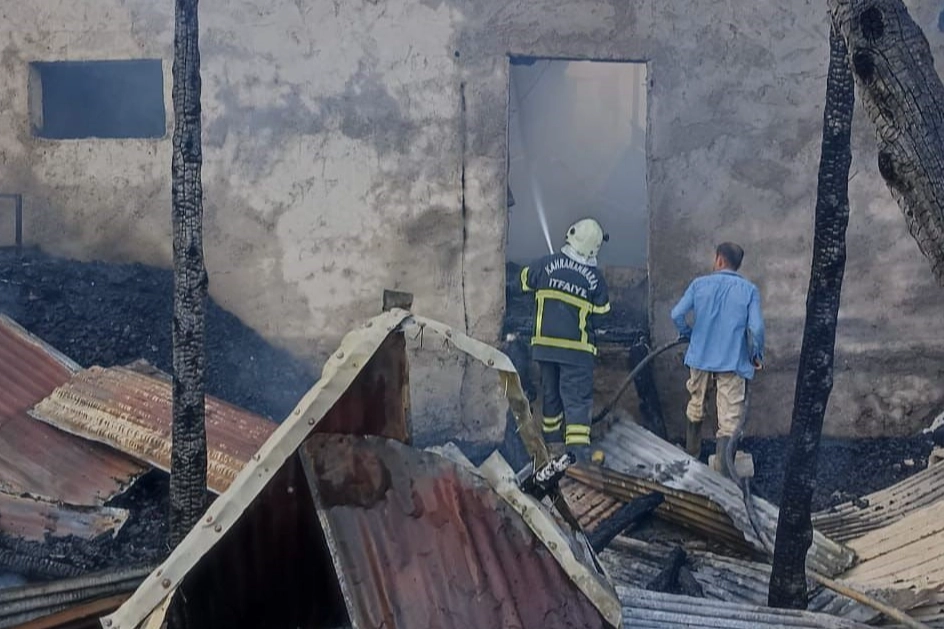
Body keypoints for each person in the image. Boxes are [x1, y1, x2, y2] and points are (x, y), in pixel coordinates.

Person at [520, 218, 611, 462]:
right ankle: (577, 457)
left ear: (571, 235)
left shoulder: (545, 264)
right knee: (576, 401)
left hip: (545, 347)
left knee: (551, 394)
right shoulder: (595, 279)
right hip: (577, 352)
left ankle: (553, 447)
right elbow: (602, 314)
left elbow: (523, 281)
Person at [670, 242, 765, 474]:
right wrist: (755, 354)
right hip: (733, 361)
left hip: (700, 356)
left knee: (696, 404)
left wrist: (688, 334)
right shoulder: (749, 290)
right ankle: (722, 473)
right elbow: (756, 329)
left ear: (719, 259)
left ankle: (691, 456)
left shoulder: (699, 284)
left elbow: (677, 314)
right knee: (730, 419)